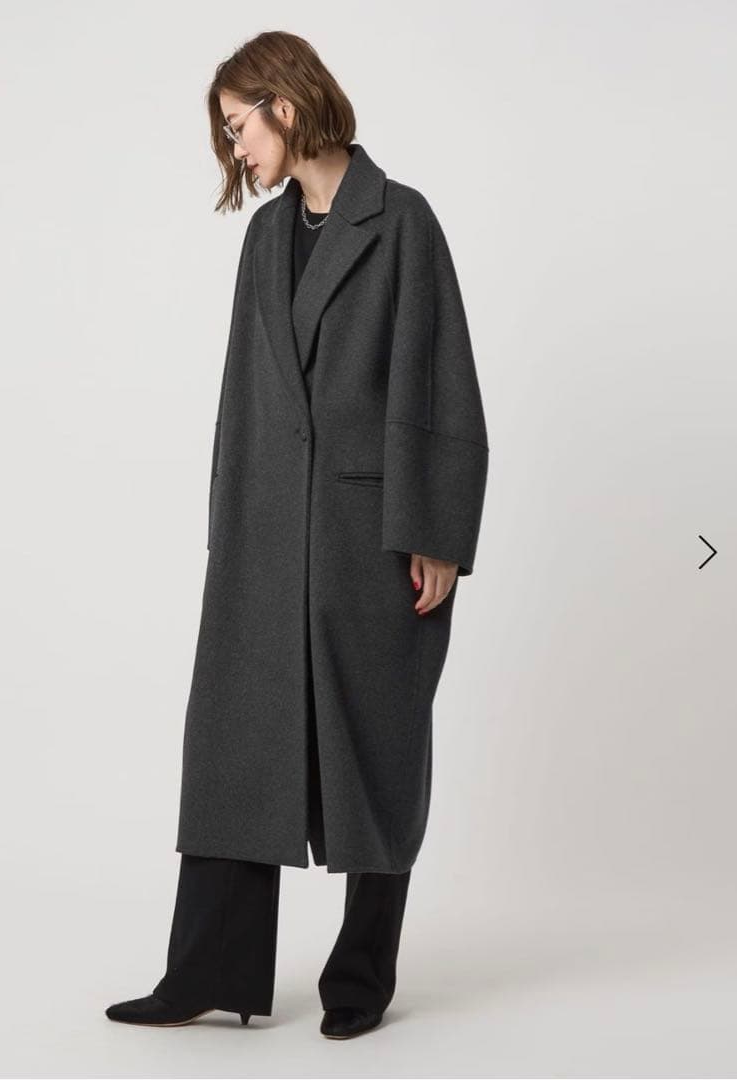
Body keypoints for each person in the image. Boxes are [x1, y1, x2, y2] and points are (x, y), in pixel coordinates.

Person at [106, 30, 489, 1040]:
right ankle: (206, 971)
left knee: (375, 740)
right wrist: (229, 526)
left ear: (286, 103)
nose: (235, 150)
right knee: (235, 737)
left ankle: (360, 976)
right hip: (269, 527)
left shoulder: (401, 221)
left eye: (239, 127)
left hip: (372, 533)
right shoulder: (267, 237)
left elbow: (438, 376)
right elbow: (245, 392)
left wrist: (435, 531)